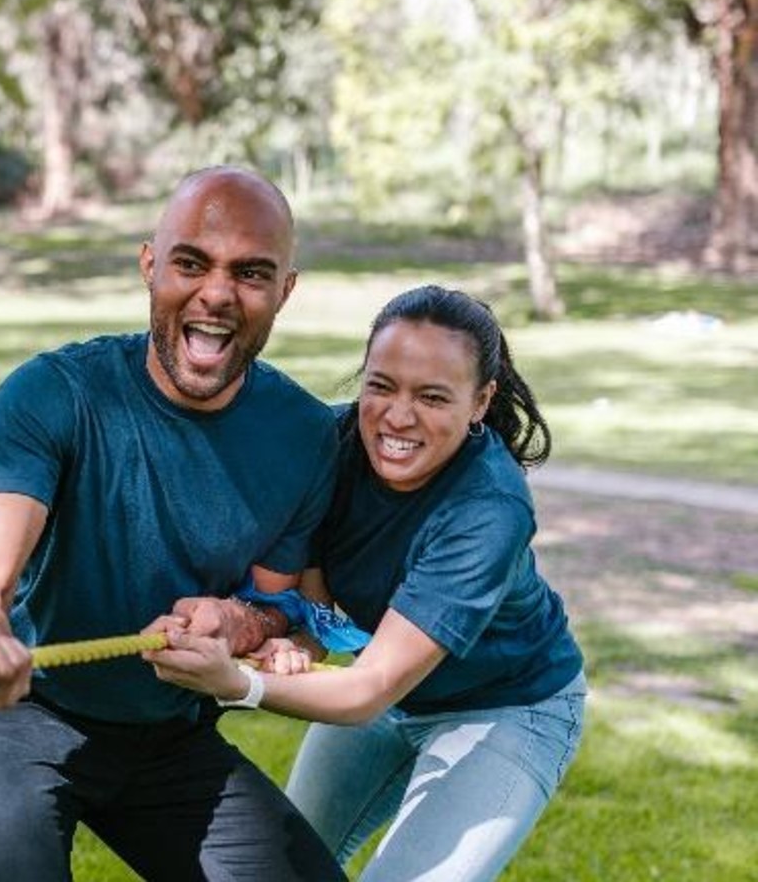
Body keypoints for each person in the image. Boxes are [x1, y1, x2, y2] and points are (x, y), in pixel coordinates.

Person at [0, 166, 347, 881]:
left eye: (249, 272)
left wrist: (236, 623)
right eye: (190, 262)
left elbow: (276, 609)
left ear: (285, 290)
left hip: (168, 739)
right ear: (149, 265)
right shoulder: (53, 393)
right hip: (20, 713)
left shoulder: (306, 437)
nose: (215, 292)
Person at [145, 285, 586, 882]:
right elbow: (319, 609)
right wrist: (291, 642)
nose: (397, 417)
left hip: (506, 707)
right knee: (275, 869)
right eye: (381, 386)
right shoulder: (332, 448)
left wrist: (238, 683)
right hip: (391, 688)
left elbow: (368, 688)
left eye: (432, 396)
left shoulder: (490, 509)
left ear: (481, 401)